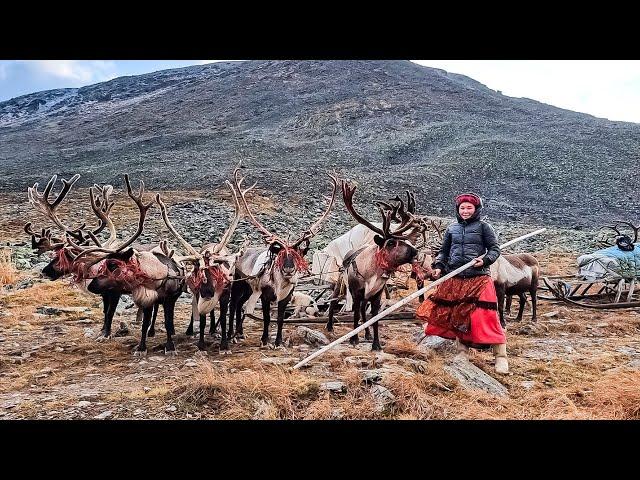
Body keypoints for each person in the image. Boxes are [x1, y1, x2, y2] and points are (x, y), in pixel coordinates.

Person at [416, 192, 508, 374]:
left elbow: (495, 249)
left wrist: (486, 260)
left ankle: (501, 357)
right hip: (456, 278)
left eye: (469, 208)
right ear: (458, 210)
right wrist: (439, 267)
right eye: (462, 208)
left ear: (476, 209)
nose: (465, 211)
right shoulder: (452, 229)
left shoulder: (484, 227)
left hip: (479, 278)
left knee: (486, 317)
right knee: (459, 316)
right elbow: (444, 252)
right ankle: (462, 353)